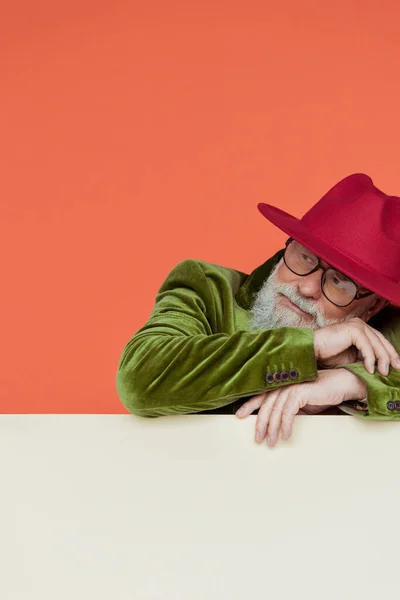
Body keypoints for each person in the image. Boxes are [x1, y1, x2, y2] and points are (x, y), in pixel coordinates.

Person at [116, 173, 400, 447]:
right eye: (304, 257)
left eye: (340, 283)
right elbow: (138, 378)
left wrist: (357, 382)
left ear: (371, 307)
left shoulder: (388, 331)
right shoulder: (207, 288)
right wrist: (310, 346)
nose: (307, 288)